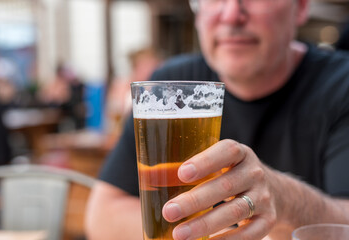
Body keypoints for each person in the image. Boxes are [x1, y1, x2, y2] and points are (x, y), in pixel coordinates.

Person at [85, 0, 349, 239]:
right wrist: (205, 231)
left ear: (301, 7)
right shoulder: (168, 87)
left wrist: (286, 199)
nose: (232, 14)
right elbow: (101, 217)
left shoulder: (341, 84)